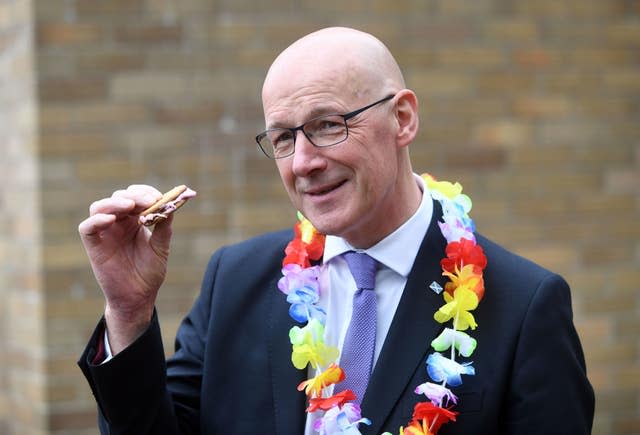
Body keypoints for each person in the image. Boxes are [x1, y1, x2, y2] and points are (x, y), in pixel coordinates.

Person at [77, 27, 594, 435]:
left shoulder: (525, 307)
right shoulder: (234, 282)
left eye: (328, 125)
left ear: (404, 118)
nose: (303, 162)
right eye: (282, 137)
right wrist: (128, 311)